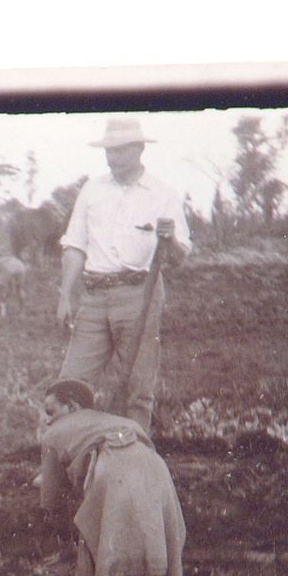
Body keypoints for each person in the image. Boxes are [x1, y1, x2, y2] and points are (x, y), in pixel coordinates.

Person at [55, 117, 191, 433]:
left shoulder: (162, 194)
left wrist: (168, 239)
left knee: (137, 387)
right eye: (108, 150)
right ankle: (64, 466)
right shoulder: (92, 190)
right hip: (93, 297)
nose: (111, 157)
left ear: (139, 149)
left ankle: (132, 465)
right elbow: (75, 245)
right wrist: (65, 295)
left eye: (119, 150)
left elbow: (179, 258)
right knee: (70, 385)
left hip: (139, 295)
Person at [38, 378, 185, 576]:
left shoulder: (53, 434)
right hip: (155, 471)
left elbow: (51, 500)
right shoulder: (122, 421)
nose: (48, 420)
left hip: (110, 472)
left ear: (72, 407)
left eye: (51, 412)